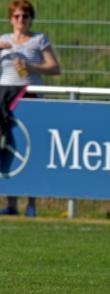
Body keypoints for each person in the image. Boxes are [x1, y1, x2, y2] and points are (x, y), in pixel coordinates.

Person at [0, 0, 60, 217]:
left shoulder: (38, 40)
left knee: (32, 147)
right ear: (10, 19)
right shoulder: (3, 41)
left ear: (30, 19)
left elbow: (55, 68)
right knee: (9, 145)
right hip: (4, 95)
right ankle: (11, 202)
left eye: (25, 16)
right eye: (16, 16)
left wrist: (30, 66)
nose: (21, 21)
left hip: (29, 95)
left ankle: (31, 203)